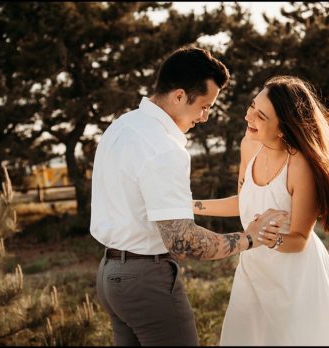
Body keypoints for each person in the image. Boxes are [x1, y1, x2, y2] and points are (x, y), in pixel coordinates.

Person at [89, 47, 290, 346]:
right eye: (205, 106)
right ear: (180, 96)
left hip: (110, 275)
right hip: (146, 283)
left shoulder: (121, 126)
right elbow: (183, 242)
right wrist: (250, 238)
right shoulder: (164, 148)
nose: (205, 117)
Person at [193, 75, 329, 345]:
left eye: (261, 116)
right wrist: (192, 206)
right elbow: (245, 201)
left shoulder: (301, 167)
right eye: (252, 106)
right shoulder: (249, 145)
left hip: (295, 277)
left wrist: (267, 238)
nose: (249, 117)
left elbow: (299, 239)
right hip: (252, 267)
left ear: (283, 128)